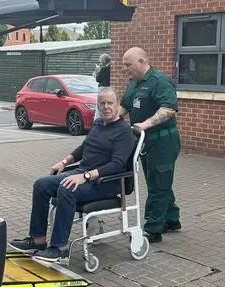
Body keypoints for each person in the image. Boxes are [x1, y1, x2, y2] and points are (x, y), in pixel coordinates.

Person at [10, 87, 136, 262]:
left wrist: (85, 176)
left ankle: (60, 248)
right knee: (41, 185)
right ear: (98, 106)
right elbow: (84, 148)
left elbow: (117, 164)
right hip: (83, 173)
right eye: (102, 103)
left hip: (105, 183)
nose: (106, 107)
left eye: (110, 103)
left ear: (117, 105)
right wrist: (64, 162)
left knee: (66, 189)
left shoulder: (124, 131)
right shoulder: (98, 124)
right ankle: (38, 239)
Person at [119, 47, 181, 243]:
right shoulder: (133, 84)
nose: (125, 69)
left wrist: (144, 124)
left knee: (158, 184)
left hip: (163, 141)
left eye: (128, 65)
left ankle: (153, 228)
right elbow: (125, 106)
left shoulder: (159, 81)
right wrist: (109, 120)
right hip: (145, 142)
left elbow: (169, 109)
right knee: (157, 181)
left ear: (142, 61)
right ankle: (172, 219)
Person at [93, 53, 111, 120]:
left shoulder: (104, 69)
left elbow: (98, 79)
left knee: (100, 104)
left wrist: (97, 70)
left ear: (103, 61)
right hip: (109, 88)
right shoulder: (111, 68)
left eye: (101, 61)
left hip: (103, 88)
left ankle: (97, 119)